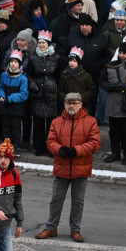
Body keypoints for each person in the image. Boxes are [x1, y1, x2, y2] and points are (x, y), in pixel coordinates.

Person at [37, 92, 101, 242]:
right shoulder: (56, 122)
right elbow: (50, 141)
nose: (71, 106)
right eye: (69, 103)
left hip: (81, 167)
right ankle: (51, 227)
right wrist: (59, 149)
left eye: (74, 103)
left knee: (78, 201)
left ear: (80, 104)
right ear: (65, 104)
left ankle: (75, 230)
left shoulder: (91, 121)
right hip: (62, 166)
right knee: (56, 200)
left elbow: (95, 143)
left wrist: (76, 150)